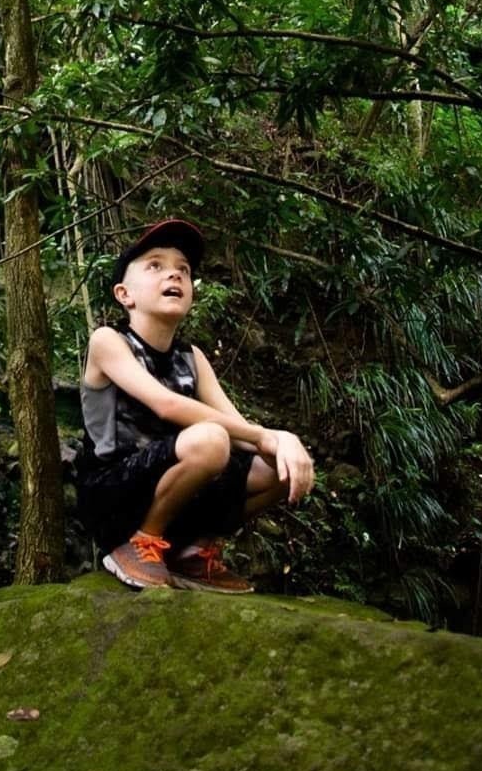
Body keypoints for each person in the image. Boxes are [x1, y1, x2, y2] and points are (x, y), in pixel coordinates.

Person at [77, 218, 314, 592]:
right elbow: (167, 405)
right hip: (113, 495)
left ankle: (192, 550)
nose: (173, 274)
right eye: (155, 265)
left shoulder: (192, 358)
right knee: (211, 440)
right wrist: (264, 435)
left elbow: (239, 429)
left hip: (177, 493)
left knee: (279, 467)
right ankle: (141, 542)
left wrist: (280, 442)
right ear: (124, 294)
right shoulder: (108, 341)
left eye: (183, 270)